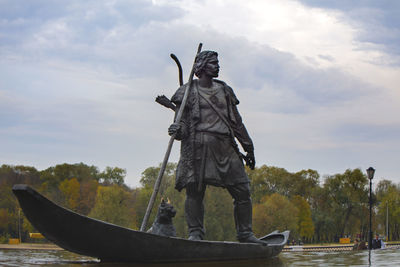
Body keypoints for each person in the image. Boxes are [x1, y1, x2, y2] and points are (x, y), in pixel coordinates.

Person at [168, 50, 263, 244]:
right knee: (194, 191)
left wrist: (249, 147)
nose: (217, 66)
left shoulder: (225, 90)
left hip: (226, 147)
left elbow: (236, 122)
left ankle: (245, 233)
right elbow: (182, 126)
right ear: (201, 66)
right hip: (199, 146)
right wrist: (177, 130)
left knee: (242, 190)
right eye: (213, 62)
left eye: (217, 62)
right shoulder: (186, 92)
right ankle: (195, 233)